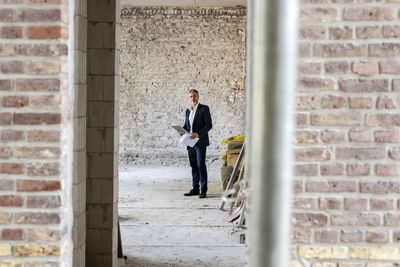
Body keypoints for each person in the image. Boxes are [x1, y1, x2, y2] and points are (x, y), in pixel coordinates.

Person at [178, 89, 212, 198]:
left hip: (200, 141)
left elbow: (208, 125)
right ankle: (195, 188)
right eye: (191, 96)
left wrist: (198, 134)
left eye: (195, 96)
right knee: (193, 165)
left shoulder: (204, 109)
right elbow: (187, 126)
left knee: (201, 165)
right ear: (189, 98)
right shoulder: (188, 111)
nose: (193, 98)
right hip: (189, 141)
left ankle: (203, 190)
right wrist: (181, 130)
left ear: (198, 97)